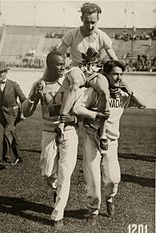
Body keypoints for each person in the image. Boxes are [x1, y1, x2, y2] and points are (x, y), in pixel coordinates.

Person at [63, 60, 146, 219]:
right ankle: (93, 211)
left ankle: (110, 198)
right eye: (115, 74)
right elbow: (77, 108)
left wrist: (130, 91)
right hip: (92, 137)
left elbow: (143, 105)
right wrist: (94, 115)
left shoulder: (123, 95)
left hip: (111, 141)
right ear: (106, 75)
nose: (118, 78)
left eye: (121, 74)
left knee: (113, 179)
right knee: (93, 179)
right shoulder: (95, 91)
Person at [22, 51, 79, 230]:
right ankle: (55, 189)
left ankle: (57, 215)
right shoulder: (40, 84)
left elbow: (80, 109)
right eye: (59, 64)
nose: (63, 67)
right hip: (48, 133)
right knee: (47, 172)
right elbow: (25, 112)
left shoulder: (71, 82)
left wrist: (75, 120)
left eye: (64, 64)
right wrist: (33, 97)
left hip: (68, 133)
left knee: (65, 173)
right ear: (49, 65)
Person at [54, 2, 118, 149]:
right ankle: (61, 125)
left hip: (95, 71)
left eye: (93, 23)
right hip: (77, 68)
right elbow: (58, 54)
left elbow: (112, 56)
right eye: (87, 22)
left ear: (98, 19)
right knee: (75, 82)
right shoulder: (72, 34)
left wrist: (119, 73)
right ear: (81, 18)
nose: (90, 26)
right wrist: (52, 72)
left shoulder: (102, 36)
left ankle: (102, 133)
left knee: (104, 89)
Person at [0, 61, 26, 166]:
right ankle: (18, 156)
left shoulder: (14, 85)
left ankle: (6, 159)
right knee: (12, 133)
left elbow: (23, 99)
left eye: (1, 72)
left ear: (6, 72)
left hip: (14, 114)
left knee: (7, 133)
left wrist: (24, 113)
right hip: (2, 115)